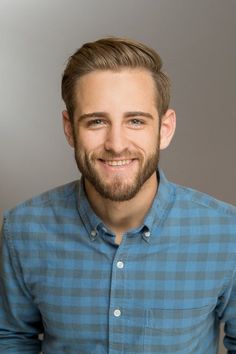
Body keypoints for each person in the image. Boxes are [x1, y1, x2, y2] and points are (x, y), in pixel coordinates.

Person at [0, 37, 236, 354]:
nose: (116, 143)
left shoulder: (226, 233)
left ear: (164, 129)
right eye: (96, 121)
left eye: (135, 121)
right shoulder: (23, 230)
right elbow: (11, 339)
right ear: (70, 129)